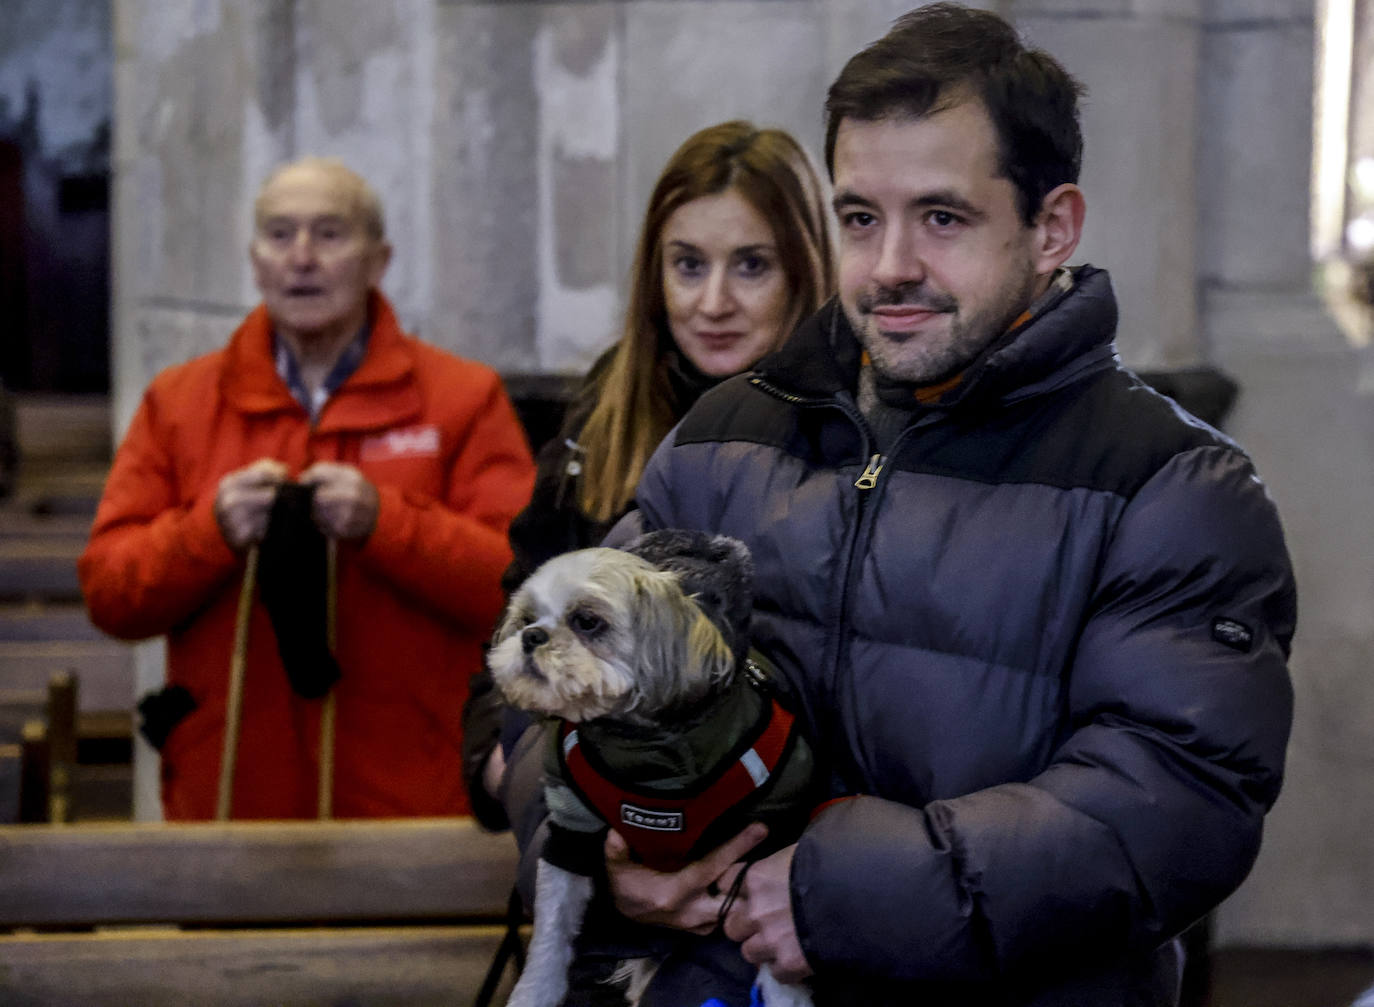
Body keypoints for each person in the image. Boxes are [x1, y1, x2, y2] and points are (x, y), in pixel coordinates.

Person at [496, 6, 1298, 1005]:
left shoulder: (1172, 485)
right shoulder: (724, 436)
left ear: (1053, 226)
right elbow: (536, 711)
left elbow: (1170, 806)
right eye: (860, 217)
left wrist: (841, 892)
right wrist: (597, 854)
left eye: (943, 217)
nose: (888, 267)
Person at [78, 156, 536, 820]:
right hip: (231, 796)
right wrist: (210, 532)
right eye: (279, 234)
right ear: (255, 259)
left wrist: (386, 523)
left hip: (408, 800)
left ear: (378, 259)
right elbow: (110, 594)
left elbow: (521, 591)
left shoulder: (463, 398)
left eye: (329, 233)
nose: (301, 258)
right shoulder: (179, 402)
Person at [462, 120, 834, 824]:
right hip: (591, 806)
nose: (712, 301)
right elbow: (519, 611)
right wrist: (510, 770)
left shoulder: (850, 429)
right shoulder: (606, 411)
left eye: (751, 265)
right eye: (688, 265)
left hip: (778, 824)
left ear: (804, 270)